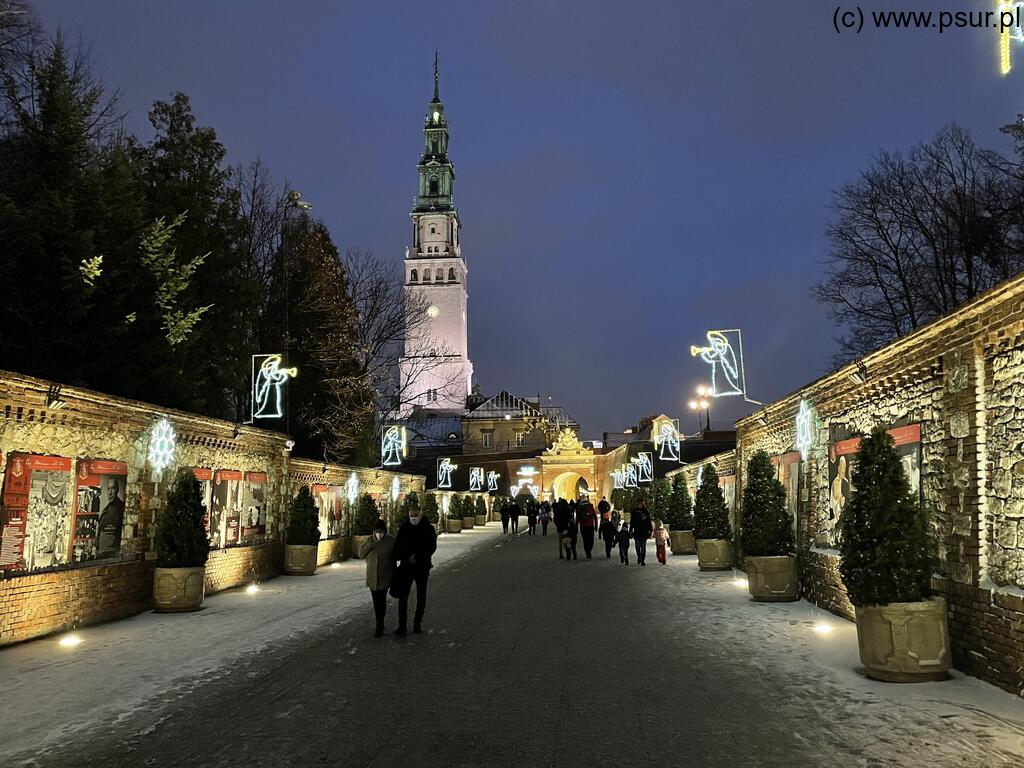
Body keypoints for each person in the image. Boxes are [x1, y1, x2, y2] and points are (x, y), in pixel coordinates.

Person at [392, 500, 437, 635]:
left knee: (421, 596)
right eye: (411, 515)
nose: (413, 517)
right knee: (403, 596)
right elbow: (397, 546)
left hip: (422, 567)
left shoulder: (428, 528)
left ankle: (417, 624)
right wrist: (405, 556)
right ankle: (402, 626)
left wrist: (418, 557)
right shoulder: (404, 528)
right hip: (406, 567)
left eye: (415, 515)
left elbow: (431, 547)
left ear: (421, 514)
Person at [359, 519, 395, 637]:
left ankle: (380, 624)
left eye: (381, 531)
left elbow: (396, 556)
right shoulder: (370, 540)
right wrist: (370, 545)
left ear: (385, 531)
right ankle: (379, 622)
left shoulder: (390, 540)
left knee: (382, 601)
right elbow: (361, 554)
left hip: (385, 576)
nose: (379, 534)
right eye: (377, 531)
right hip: (372, 576)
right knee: (376, 602)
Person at [96, 476, 125, 559]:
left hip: (110, 554)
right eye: (108, 489)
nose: (110, 493)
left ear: (117, 490)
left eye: (113, 488)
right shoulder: (107, 508)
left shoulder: (120, 508)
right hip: (102, 552)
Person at [629, 500, 654, 566]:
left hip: (644, 531)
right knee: (637, 547)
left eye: (641, 504)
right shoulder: (634, 512)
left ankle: (642, 560)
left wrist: (650, 530)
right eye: (639, 504)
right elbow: (632, 522)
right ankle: (639, 556)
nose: (640, 505)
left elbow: (648, 521)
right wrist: (631, 530)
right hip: (637, 531)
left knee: (643, 547)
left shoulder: (645, 511)